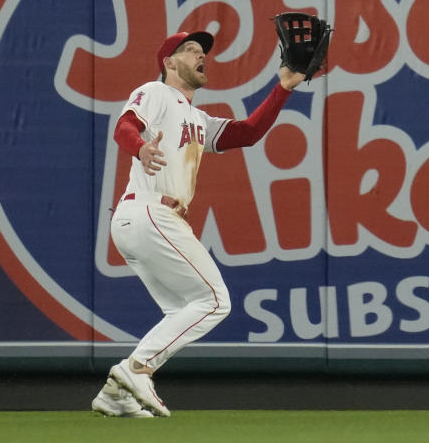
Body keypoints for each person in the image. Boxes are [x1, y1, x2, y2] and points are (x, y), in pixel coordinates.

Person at [92, 30, 307, 417]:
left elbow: (249, 132)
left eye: (202, 50)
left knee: (183, 311)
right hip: (150, 212)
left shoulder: (196, 117)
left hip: (139, 220)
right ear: (169, 63)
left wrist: (284, 87)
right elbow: (124, 124)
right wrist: (140, 147)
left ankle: (115, 396)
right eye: (189, 50)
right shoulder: (157, 92)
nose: (200, 54)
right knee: (214, 300)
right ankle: (135, 369)